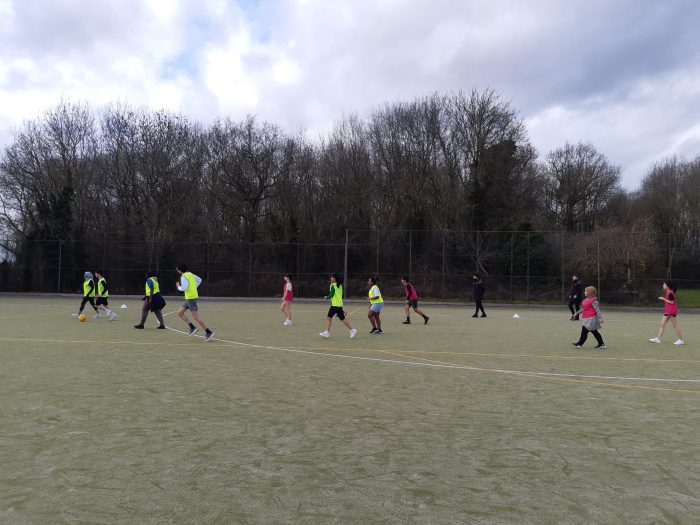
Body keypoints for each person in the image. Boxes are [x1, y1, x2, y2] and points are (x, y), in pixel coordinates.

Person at [176, 264, 215, 342]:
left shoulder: (183, 277)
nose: (177, 270)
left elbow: (184, 288)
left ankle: (208, 332)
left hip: (191, 298)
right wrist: (193, 287)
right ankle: (192, 327)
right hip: (190, 297)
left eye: (177, 269)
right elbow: (199, 280)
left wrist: (178, 287)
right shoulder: (190, 274)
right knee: (180, 313)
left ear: (180, 270)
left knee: (196, 317)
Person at [319, 273, 357, 339]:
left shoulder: (333, 285)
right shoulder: (340, 286)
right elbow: (341, 295)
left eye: (332, 277)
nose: (331, 278)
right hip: (338, 304)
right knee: (330, 318)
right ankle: (327, 332)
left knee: (339, 319)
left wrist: (326, 297)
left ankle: (352, 330)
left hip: (335, 305)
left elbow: (331, 294)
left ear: (334, 279)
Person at [649, 281, 684, 345]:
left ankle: (681, 340)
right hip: (668, 311)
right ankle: (658, 339)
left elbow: (672, 302)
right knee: (662, 324)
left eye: (664, 285)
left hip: (670, 312)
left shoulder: (670, 293)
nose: (663, 286)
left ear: (667, 286)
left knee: (675, 325)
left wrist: (663, 299)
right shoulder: (668, 292)